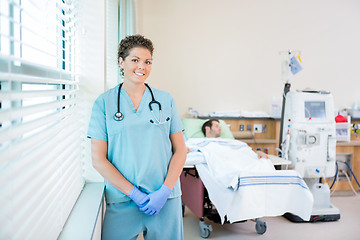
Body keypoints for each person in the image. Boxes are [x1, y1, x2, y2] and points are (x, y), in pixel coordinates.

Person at [87, 35, 186, 240]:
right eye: (135, 60)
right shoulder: (103, 104)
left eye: (147, 62)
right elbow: (98, 159)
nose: (142, 66)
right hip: (123, 200)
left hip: (164, 199)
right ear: (121, 62)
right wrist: (135, 194)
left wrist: (164, 191)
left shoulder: (165, 100)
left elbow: (180, 150)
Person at [201, 119, 269, 159]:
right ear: (207, 128)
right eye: (216, 126)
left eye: (220, 126)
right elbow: (192, 148)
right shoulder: (201, 142)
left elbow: (242, 147)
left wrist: (256, 152)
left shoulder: (226, 141)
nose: (220, 128)